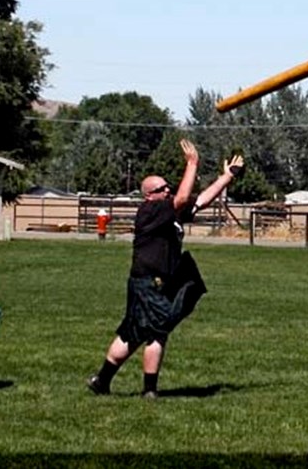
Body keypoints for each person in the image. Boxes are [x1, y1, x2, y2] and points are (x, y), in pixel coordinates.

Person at [87, 138, 243, 399]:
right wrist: (192, 163)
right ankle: (149, 391)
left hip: (154, 281)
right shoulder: (150, 210)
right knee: (158, 331)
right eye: (162, 188)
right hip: (148, 282)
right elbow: (183, 197)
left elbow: (200, 200)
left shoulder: (169, 212)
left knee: (132, 333)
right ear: (150, 194)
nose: (168, 190)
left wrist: (226, 177)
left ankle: (101, 381)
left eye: (168, 187)